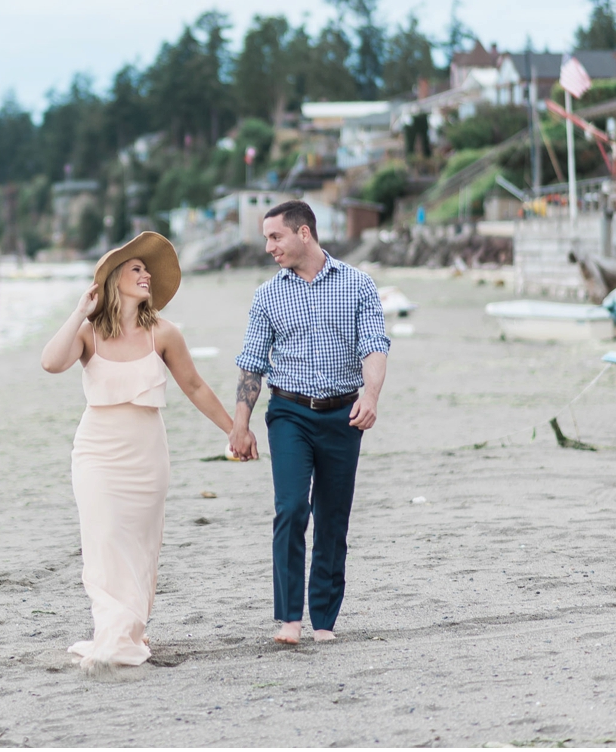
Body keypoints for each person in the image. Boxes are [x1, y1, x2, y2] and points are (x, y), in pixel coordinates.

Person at [40, 232, 236, 669]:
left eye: (147, 270)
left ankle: (130, 629)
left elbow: (195, 386)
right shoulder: (89, 333)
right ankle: (112, 631)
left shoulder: (164, 333)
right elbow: (51, 362)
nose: (146, 274)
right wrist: (78, 312)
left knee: (141, 546)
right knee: (104, 541)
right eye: (136, 268)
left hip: (146, 454)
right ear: (113, 280)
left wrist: (234, 430)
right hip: (96, 452)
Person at [229, 200, 390, 645]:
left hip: (344, 413)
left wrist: (371, 396)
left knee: (333, 518)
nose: (268, 247)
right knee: (293, 508)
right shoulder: (267, 295)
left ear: (303, 233)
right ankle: (289, 619)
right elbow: (251, 365)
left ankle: (323, 621)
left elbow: (375, 345)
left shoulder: (358, 285)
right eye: (266, 238)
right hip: (289, 413)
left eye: (275, 236)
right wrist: (240, 425)